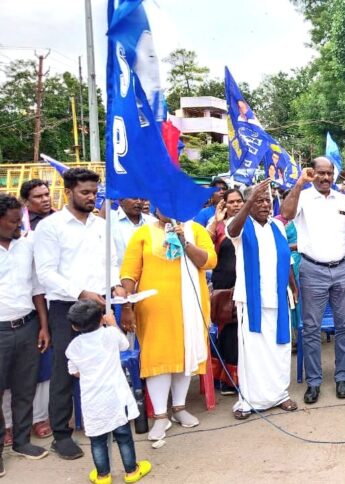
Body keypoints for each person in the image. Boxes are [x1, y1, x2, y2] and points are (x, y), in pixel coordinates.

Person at [33, 168, 124, 460]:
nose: (91, 197)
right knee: (65, 369)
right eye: (85, 192)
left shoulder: (101, 225)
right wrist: (81, 292)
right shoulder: (51, 227)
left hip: (100, 305)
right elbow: (46, 273)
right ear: (68, 192)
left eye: (94, 192)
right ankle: (61, 434)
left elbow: (111, 262)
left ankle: (107, 423)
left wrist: (116, 284)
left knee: (103, 365)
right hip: (67, 308)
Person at [119, 209, 216, 440]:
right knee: (158, 358)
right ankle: (161, 416)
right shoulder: (143, 233)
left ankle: (179, 408)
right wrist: (126, 307)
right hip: (154, 309)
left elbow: (210, 261)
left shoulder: (196, 230)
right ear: (156, 208)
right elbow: (129, 273)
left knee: (185, 353)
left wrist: (185, 242)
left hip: (190, 307)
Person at [281, 158, 345, 404]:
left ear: (334, 175)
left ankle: (342, 377)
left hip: (343, 269)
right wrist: (299, 183)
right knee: (311, 328)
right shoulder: (302, 197)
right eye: (320, 173)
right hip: (312, 270)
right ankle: (314, 382)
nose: (325, 178)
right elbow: (285, 214)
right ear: (313, 173)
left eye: (329, 173)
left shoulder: (344, 200)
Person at [228, 181, 299, 419]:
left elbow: (285, 258)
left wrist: (293, 285)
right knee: (253, 354)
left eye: (267, 200)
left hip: (278, 298)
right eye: (259, 200)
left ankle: (280, 395)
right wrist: (249, 200)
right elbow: (232, 231)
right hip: (252, 302)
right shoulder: (239, 225)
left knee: (280, 349)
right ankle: (249, 402)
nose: (265, 205)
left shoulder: (277, 226)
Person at [65, 301, 151, 484]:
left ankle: (103, 476)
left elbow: (74, 371)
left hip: (92, 401)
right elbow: (125, 345)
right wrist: (112, 324)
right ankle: (131, 471)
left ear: (74, 326)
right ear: (101, 319)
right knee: (124, 436)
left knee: (97, 441)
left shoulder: (73, 347)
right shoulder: (110, 334)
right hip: (116, 397)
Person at [0, 194, 50, 472]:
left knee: (24, 388)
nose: (18, 226)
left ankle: (21, 441)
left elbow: (37, 289)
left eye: (20, 220)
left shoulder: (26, 246)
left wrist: (43, 326)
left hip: (28, 326)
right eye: (12, 222)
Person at [210, 190, 245, 291]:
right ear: (224, 205)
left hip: (247, 280)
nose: (236, 205)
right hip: (223, 283)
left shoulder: (252, 224)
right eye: (231, 202)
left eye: (239, 201)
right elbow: (206, 242)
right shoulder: (217, 224)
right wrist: (216, 221)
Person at [111, 198, 154, 266]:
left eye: (142, 199)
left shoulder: (153, 222)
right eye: (134, 198)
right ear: (121, 200)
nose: (139, 201)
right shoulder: (109, 221)